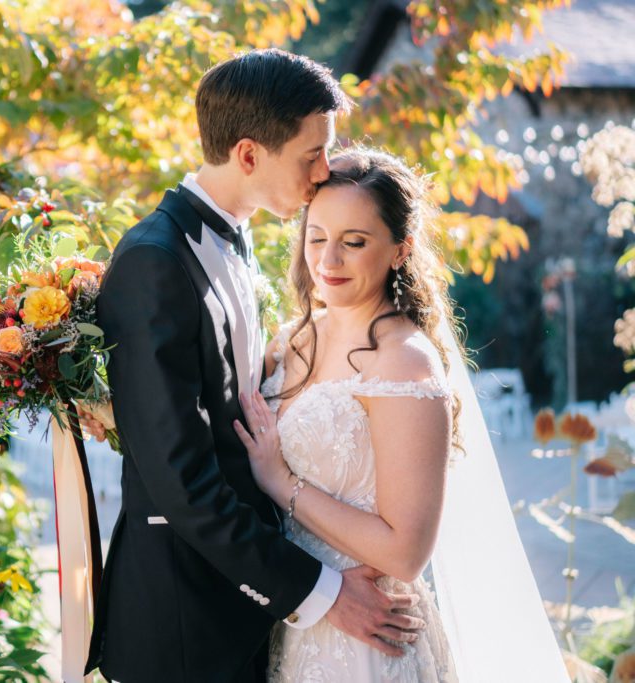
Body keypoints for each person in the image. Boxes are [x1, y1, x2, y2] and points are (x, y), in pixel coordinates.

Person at [84, 50, 423, 683]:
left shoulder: (237, 240)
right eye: (311, 154)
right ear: (248, 155)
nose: (325, 173)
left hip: (246, 610)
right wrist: (322, 593)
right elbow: (183, 483)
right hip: (184, 623)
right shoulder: (154, 263)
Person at [235, 148, 570, 682]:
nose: (328, 261)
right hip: (296, 620)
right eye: (317, 237)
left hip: (371, 638)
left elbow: (406, 552)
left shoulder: (404, 361)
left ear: (400, 250)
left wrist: (282, 483)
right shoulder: (291, 341)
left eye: (355, 242)